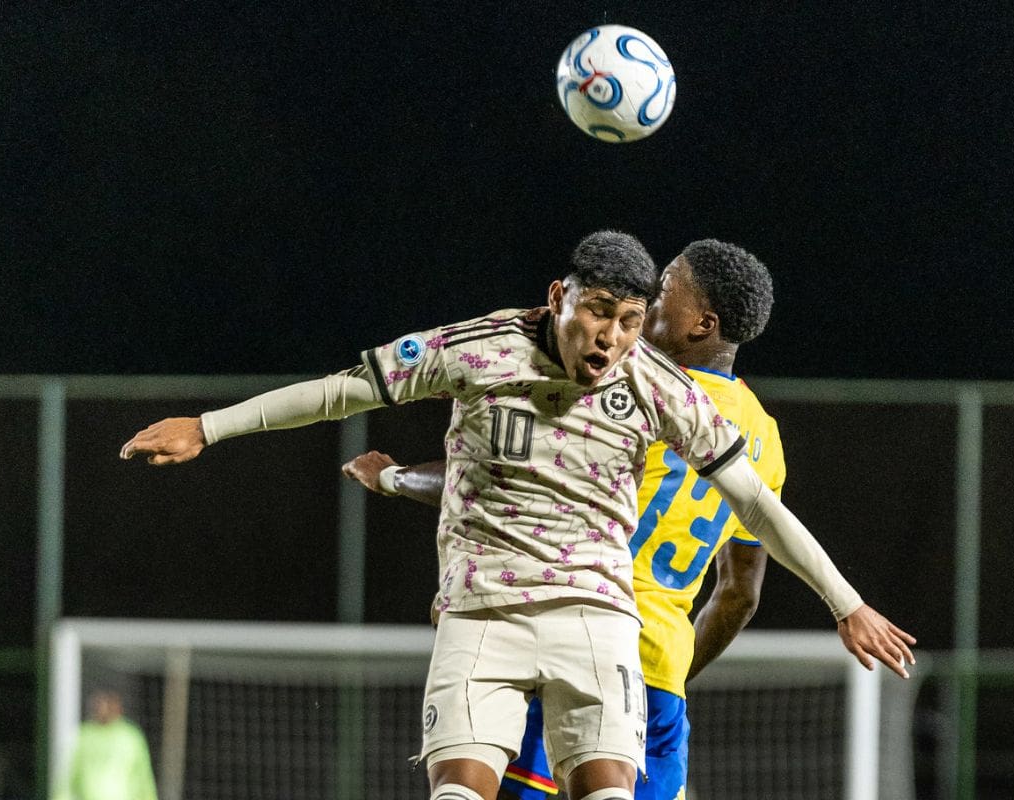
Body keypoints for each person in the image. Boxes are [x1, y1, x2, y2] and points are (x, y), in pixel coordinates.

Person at [120, 230, 914, 800]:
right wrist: (209, 426)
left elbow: (757, 506)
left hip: (601, 626)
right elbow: (341, 391)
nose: (612, 338)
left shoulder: (659, 389)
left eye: (634, 319)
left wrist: (847, 603)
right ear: (557, 297)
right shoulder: (476, 349)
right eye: (599, 312)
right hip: (488, 617)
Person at [340, 239, 786, 800]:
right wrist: (663, 672)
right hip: (660, 681)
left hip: (574, 635)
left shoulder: (629, 399)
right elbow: (740, 593)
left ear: (702, 323)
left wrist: (394, 477)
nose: (646, 299)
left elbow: (496, 483)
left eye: (665, 288)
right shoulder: (763, 438)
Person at [54, 689, 158, 800]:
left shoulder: (130, 736)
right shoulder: (84, 735)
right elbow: (69, 777)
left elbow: (144, 778)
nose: (103, 708)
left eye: (107, 703)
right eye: (99, 703)